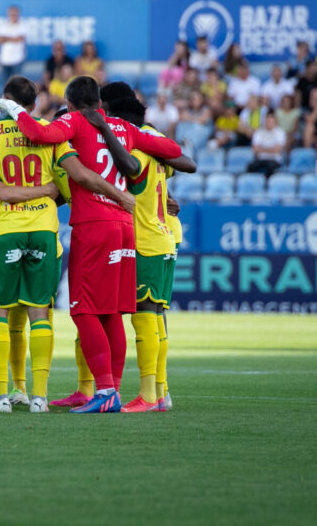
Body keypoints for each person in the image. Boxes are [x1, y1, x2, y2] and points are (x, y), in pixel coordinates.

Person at [0, 76, 135, 413]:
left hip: (6, 230)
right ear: (33, 104)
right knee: (39, 313)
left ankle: (1, 397)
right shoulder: (52, 130)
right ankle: (40, 398)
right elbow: (78, 177)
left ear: (6, 101)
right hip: (45, 231)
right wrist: (118, 195)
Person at [0, 76, 182, 414]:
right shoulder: (122, 126)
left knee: (82, 309)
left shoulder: (74, 121)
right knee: (111, 313)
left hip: (94, 225)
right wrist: (131, 135)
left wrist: (13, 108)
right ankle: (113, 392)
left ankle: (104, 389)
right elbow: (174, 152)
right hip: (125, 226)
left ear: (72, 102)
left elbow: (38, 134)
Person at [106, 95, 196, 413]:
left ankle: (148, 395)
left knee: (144, 316)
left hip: (145, 241)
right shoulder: (156, 153)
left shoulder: (137, 152)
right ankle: (161, 393)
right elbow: (167, 178)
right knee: (156, 317)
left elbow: (129, 172)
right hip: (163, 239)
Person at [246, 112, 286, 178]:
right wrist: (271, 149)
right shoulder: (258, 132)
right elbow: (255, 149)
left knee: (271, 167)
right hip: (261, 158)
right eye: (267, 121)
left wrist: (261, 149)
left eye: (271, 121)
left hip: (274, 159)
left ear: (275, 122)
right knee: (250, 166)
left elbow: (278, 150)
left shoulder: (280, 133)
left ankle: (267, 184)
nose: (269, 123)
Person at [0, 5, 26, 81]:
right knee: (6, 85)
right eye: (11, 14)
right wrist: (13, 38)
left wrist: (5, 38)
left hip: (18, 59)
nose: (13, 16)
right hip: (4, 59)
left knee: (17, 84)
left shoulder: (23, 26)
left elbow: (19, 38)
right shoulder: (3, 26)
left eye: (15, 14)